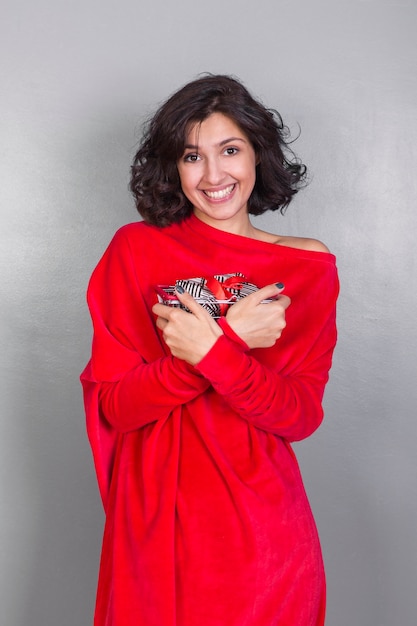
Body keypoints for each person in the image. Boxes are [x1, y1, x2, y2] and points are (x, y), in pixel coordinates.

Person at [80, 74, 339, 626]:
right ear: (174, 166)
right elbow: (119, 408)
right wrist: (230, 341)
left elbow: (298, 416)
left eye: (230, 150)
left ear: (258, 156)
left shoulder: (307, 266)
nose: (214, 175)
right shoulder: (136, 251)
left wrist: (215, 350)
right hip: (154, 522)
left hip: (260, 531)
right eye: (193, 155)